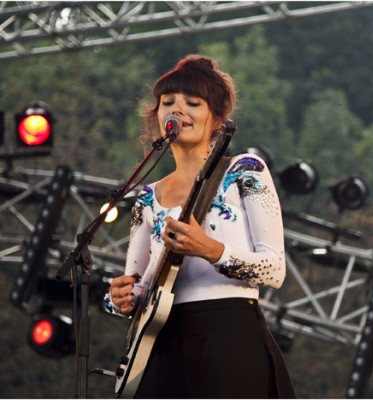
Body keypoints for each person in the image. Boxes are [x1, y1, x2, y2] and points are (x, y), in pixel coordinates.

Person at [106, 54, 296, 399]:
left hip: (229, 334)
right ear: (157, 117)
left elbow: (275, 270)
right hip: (161, 345)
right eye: (168, 102)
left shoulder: (244, 171)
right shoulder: (146, 199)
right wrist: (118, 298)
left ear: (217, 119)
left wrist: (208, 249)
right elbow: (137, 288)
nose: (178, 110)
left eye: (193, 103)